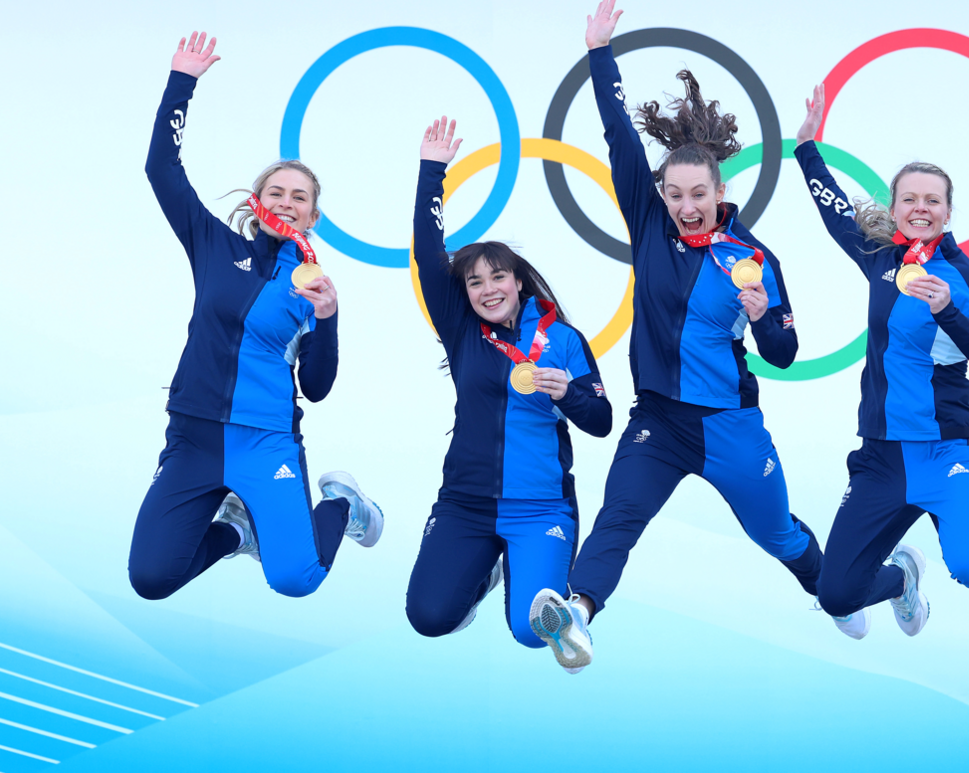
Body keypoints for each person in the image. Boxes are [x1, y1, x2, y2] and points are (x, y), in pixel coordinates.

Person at [528, 0, 823, 673]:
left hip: (730, 428)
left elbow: (783, 351)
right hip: (657, 419)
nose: (686, 205)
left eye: (698, 193)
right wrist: (600, 52)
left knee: (782, 539)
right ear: (660, 194)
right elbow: (618, 136)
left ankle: (870, 584)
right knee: (619, 515)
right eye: (675, 193)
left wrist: (761, 314)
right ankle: (577, 611)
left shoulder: (753, 258)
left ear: (720, 188)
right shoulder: (649, 224)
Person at [793, 85, 969, 661]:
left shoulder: (966, 277)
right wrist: (808, 148)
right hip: (882, 456)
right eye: (910, 200)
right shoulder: (881, 258)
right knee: (835, 593)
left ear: (949, 211)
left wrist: (948, 311)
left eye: (932, 201)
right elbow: (834, 210)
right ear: (897, 206)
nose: (920, 209)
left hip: (947, 450)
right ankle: (902, 580)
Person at [128, 31, 383, 602]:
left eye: (299, 197)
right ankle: (235, 531)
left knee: (295, 578)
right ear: (255, 202)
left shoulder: (313, 286)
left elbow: (315, 389)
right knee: (151, 578)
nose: (286, 202)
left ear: (313, 216)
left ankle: (343, 504)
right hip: (192, 433)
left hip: (266, 441)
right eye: (276, 192)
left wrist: (330, 319)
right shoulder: (214, 246)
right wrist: (181, 82)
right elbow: (161, 169)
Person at [404, 118, 612, 651]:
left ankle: (526, 581)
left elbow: (602, 422)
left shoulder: (564, 340)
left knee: (530, 632)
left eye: (498, 277)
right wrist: (432, 174)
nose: (488, 289)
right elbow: (429, 258)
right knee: (428, 617)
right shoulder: (462, 332)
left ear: (518, 280)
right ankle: (484, 573)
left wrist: (569, 392)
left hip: (540, 506)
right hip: (465, 503)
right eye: (475, 282)